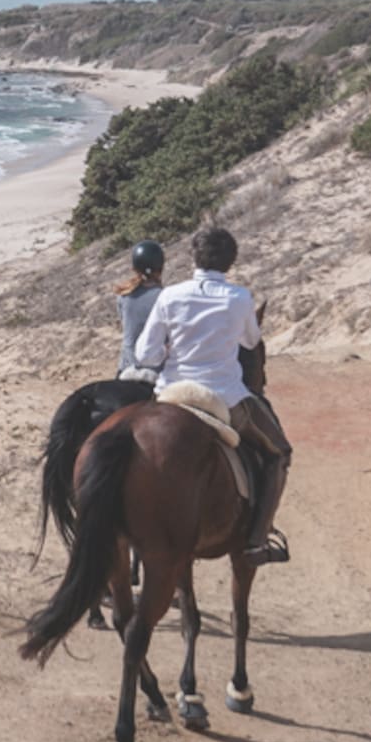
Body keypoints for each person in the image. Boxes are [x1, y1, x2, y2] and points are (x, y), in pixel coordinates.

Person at [132, 226, 292, 567]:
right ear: (230, 262)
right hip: (226, 398)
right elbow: (251, 343)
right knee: (279, 452)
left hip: (171, 395)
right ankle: (255, 542)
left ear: (194, 257)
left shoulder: (170, 296)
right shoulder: (240, 298)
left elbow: (145, 354)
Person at [114, 239, 166, 378]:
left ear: (135, 268)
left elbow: (125, 327)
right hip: (156, 370)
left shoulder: (123, 296)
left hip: (127, 366)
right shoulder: (165, 297)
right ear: (160, 268)